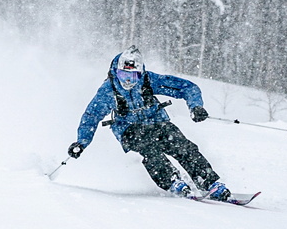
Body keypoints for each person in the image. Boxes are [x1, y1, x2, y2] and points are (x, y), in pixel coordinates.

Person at [68, 46, 230, 200]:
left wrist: (196, 107)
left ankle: (208, 181)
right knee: (149, 149)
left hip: (157, 122)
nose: (128, 82)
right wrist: (82, 142)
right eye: (124, 75)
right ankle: (173, 180)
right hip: (128, 129)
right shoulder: (108, 90)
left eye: (133, 77)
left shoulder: (149, 80)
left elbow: (187, 87)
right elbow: (91, 116)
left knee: (183, 146)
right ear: (116, 72)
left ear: (141, 73)